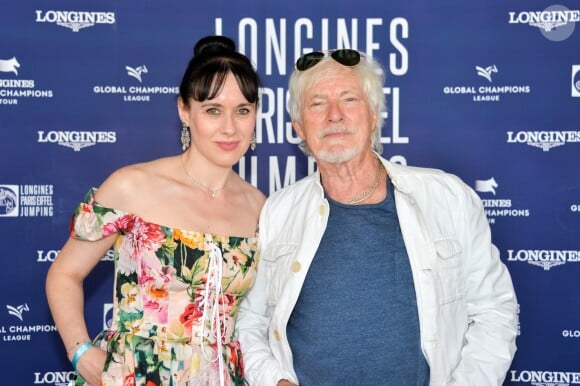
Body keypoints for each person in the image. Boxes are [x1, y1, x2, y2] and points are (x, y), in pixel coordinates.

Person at [236, 48, 518, 385]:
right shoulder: (279, 212)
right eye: (317, 103)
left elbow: (494, 313)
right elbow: (250, 320)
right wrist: (274, 381)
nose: (334, 115)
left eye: (349, 99)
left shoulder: (447, 198)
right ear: (298, 126)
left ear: (374, 116)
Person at [46, 35, 266, 386]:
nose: (230, 127)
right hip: (135, 375)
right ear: (184, 110)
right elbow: (63, 275)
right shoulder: (131, 186)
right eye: (213, 110)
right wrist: (81, 353)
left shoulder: (260, 207)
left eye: (243, 110)